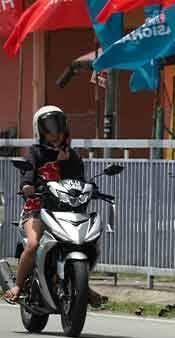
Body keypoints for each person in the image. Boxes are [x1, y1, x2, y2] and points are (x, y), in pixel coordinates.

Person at [4, 106, 105, 308]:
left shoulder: (73, 156)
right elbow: (27, 176)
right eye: (49, 128)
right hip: (38, 209)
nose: (55, 132)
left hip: (68, 211)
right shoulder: (36, 153)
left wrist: (92, 188)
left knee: (88, 243)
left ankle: (81, 283)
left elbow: (79, 181)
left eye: (58, 126)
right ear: (40, 131)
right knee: (33, 245)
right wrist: (27, 186)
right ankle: (17, 285)